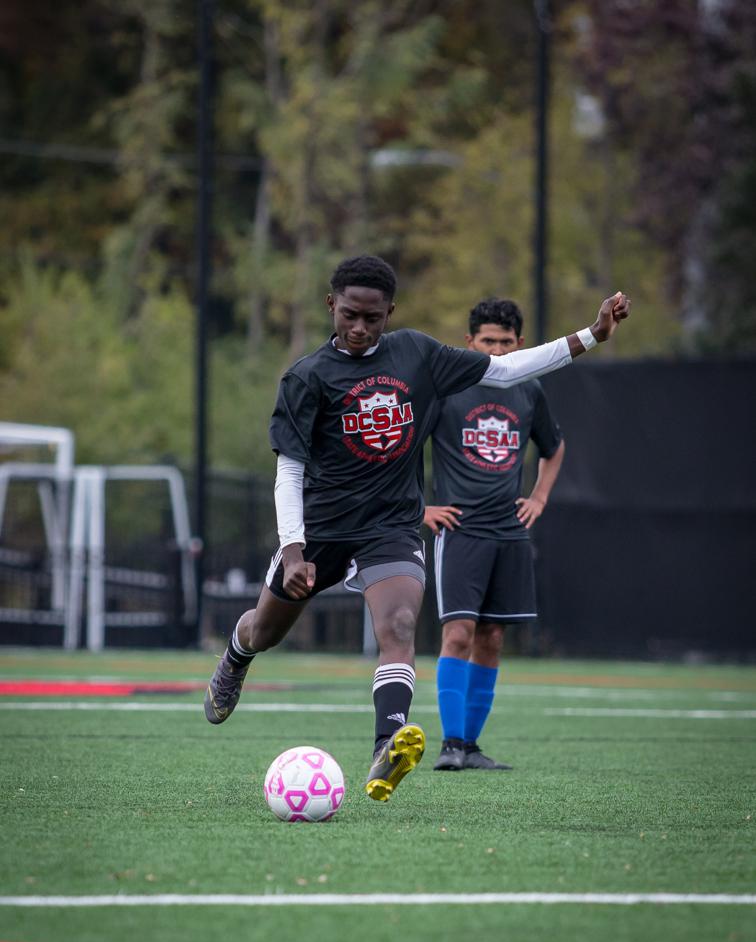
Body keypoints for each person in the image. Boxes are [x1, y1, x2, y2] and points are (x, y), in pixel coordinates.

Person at [204, 254, 630, 804]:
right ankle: (234, 659)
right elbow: (287, 473)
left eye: (373, 318)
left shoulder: (417, 353)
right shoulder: (307, 378)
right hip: (320, 532)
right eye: (350, 315)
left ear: (390, 313)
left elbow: (504, 370)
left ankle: (387, 746)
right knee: (265, 632)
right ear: (332, 305)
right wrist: (292, 551)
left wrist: (592, 335)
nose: (360, 328)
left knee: (401, 624)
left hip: (391, 526)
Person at [423, 298, 565, 772]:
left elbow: (554, 446)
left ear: (520, 344)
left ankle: (470, 745)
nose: (498, 350)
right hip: (460, 530)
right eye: (488, 341)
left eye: (506, 342)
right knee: (458, 632)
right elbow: (403, 448)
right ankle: (449, 746)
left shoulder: (529, 389)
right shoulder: (444, 390)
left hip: (509, 532)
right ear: (470, 343)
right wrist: (420, 508)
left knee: (493, 637)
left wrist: (539, 498)